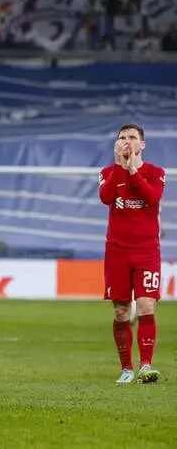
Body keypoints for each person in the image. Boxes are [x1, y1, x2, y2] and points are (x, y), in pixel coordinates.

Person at [98, 123, 164, 384]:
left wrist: (133, 170)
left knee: (146, 306)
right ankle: (126, 368)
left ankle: (145, 366)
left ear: (142, 144)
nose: (127, 141)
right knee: (121, 313)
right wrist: (118, 166)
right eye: (122, 137)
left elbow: (151, 198)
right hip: (117, 251)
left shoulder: (155, 173)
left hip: (147, 250)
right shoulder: (107, 172)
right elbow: (106, 197)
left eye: (133, 137)